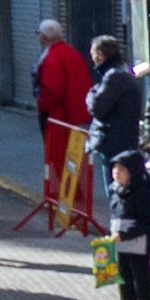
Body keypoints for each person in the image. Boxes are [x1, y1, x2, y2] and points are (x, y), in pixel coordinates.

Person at [90, 32, 150, 300]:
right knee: (122, 280)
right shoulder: (119, 191)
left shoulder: (114, 78)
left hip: (133, 241)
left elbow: (96, 105)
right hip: (120, 239)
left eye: (119, 172)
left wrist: (121, 236)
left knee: (139, 280)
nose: (115, 176)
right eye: (114, 172)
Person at [31, 15, 94, 225]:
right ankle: (71, 203)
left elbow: (52, 89)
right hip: (76, 116)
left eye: (39, 34)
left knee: (59, 160)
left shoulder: (52, 58)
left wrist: (41, 105)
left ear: (44, 36)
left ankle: (68, 204)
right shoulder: (71, 53)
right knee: (71, 160)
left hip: (60, 119)